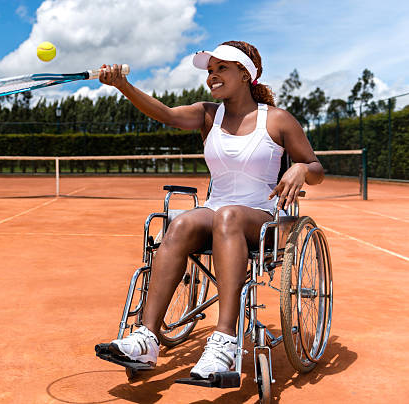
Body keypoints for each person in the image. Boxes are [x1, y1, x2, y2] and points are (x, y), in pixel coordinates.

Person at [98, 40, 324, 378]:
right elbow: (165, 113)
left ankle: (225, 342)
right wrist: (123, 86)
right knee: (182, 223)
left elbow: (316, 168)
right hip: (214, 209)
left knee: (229, 216)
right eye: (210, 70)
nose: (212, 76)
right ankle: (147, 338)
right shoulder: (207, 114)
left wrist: (302, 169)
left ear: (246, 74)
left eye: (222, 68)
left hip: (260, 217)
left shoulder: (277, 120)